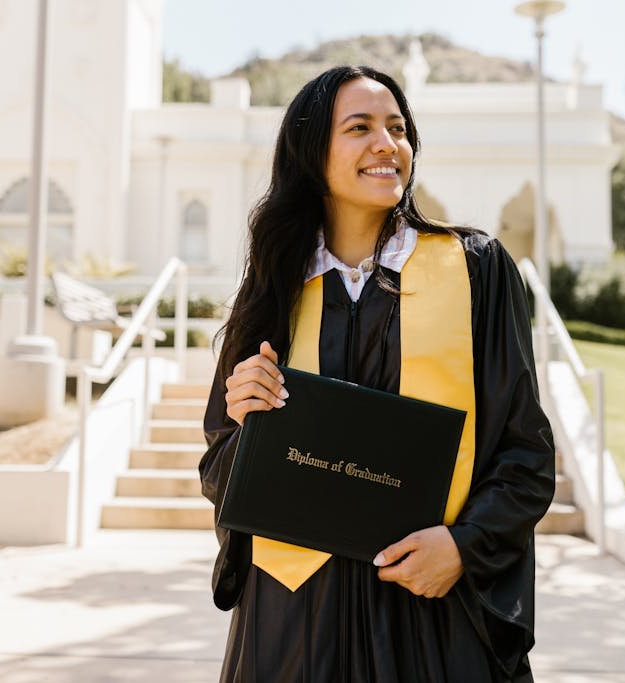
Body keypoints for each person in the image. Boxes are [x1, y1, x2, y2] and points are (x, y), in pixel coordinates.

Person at [200, 65, 555, 682]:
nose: (386, 144)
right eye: (359, 127)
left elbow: (525, 455)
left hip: (432, 617)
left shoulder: (474, 270)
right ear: (313, 154)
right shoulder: (275, 286)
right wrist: (245, 424)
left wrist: (463, 548)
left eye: (397, 127)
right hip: (296, 622)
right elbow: (219, 469)